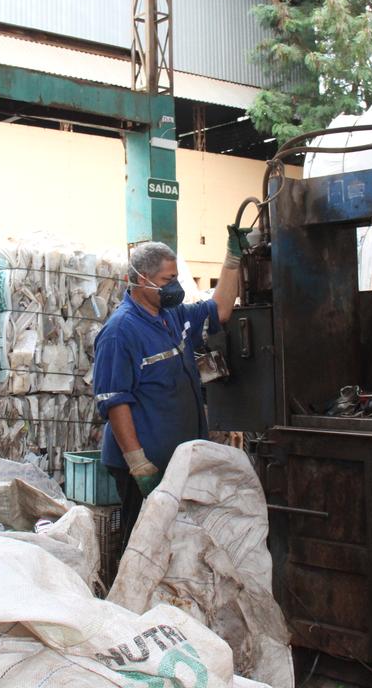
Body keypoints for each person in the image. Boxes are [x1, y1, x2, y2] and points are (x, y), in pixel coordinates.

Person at [92, 227, 246, 545]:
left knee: (174, 544)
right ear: (138, 281)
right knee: (143, 544)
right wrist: (138, 463)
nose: (174, 286)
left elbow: (221, 309)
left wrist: (232, 261)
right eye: (166, 281)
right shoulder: (121, 331)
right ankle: (131, 596)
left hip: (178, 463)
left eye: (175, 277)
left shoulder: (172, 316)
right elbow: (115, 402)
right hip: (146, 467)